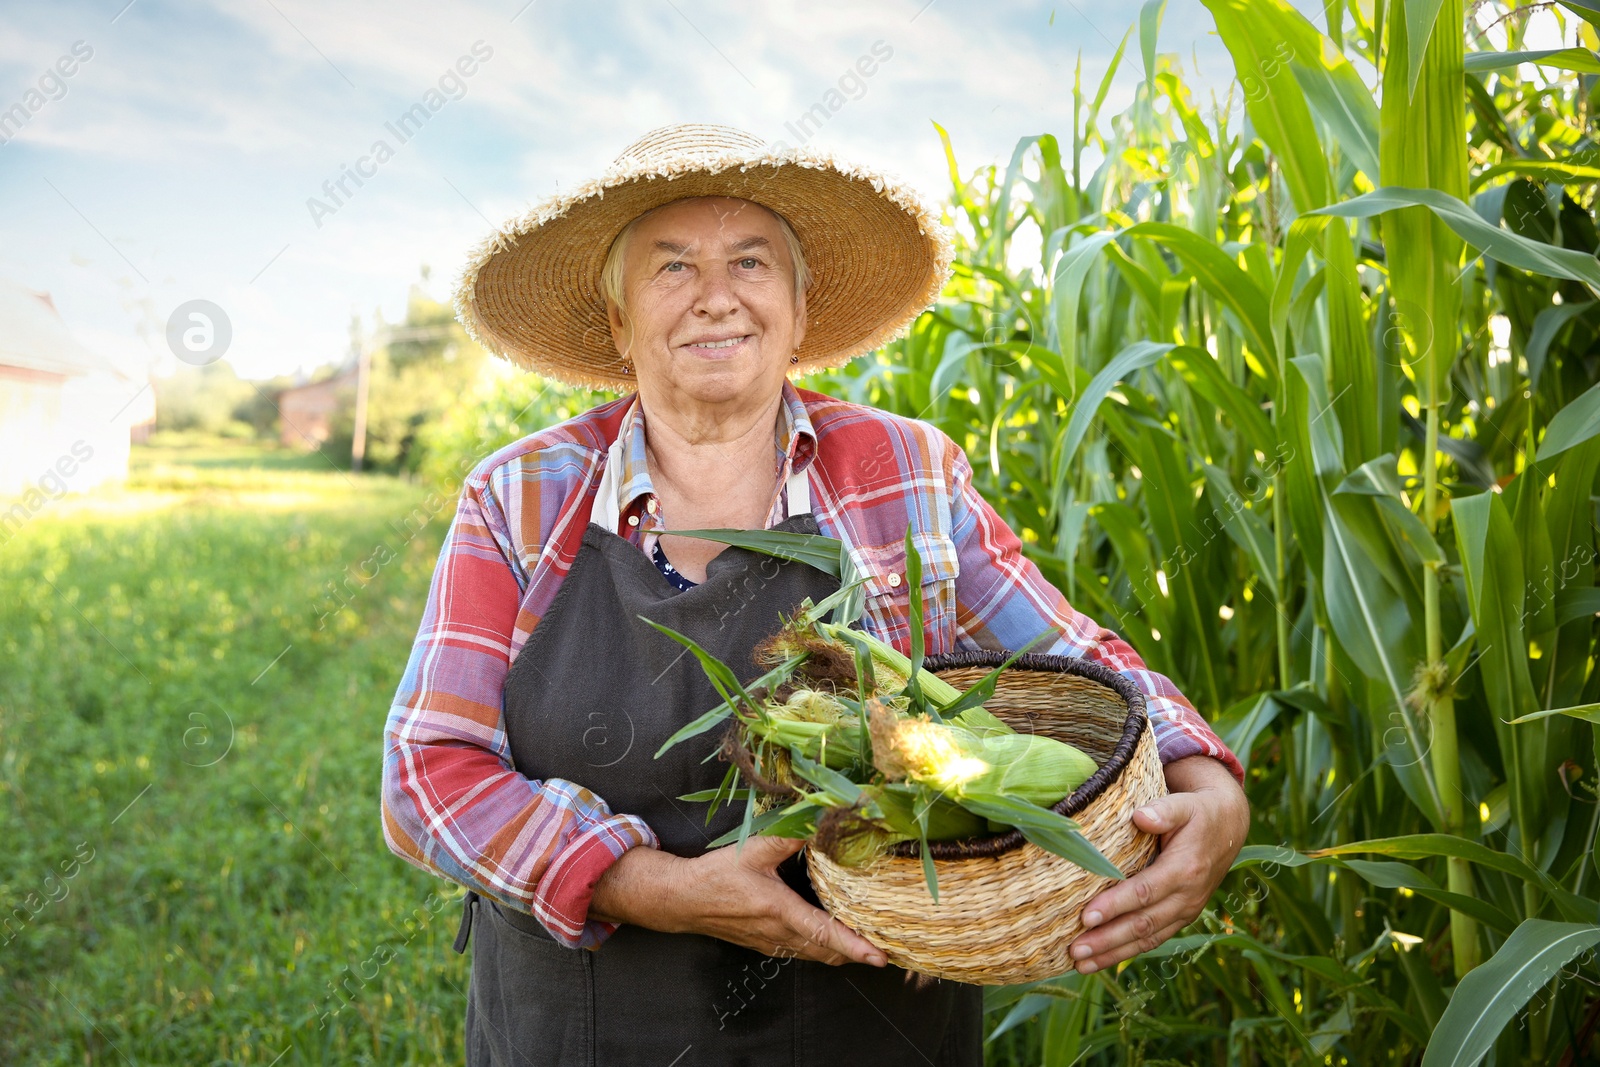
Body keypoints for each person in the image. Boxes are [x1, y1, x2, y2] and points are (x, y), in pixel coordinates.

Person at [381, 124, 1248, 1066]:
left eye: (750, 262)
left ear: (798, 309)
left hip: (869, 1024)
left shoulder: (905, 471)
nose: (716, 297)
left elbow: (1078, 661)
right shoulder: (520, 494)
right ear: (620, 324)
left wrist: (1208, 783)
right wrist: (648, 884)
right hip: (587, 1029)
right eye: (671, 269)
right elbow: (427, 772)